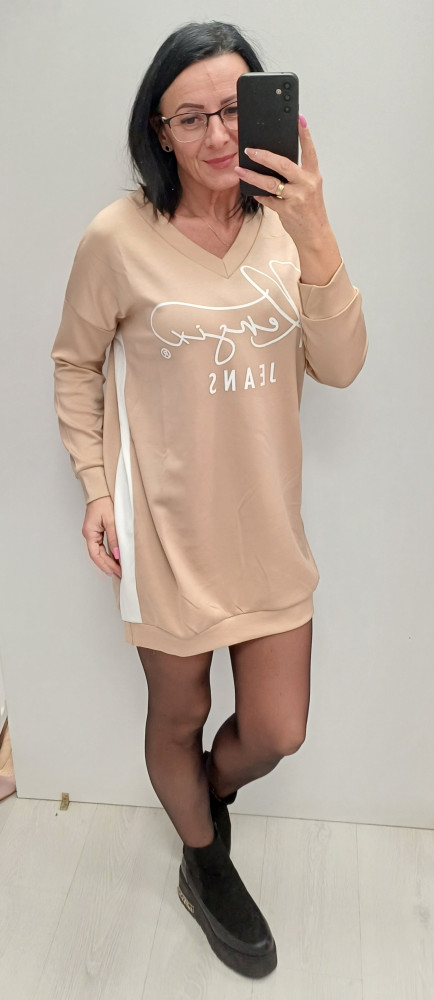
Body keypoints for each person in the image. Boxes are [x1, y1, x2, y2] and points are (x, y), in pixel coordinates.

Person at [50, 20, 368, 980]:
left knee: (276, 730)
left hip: (268, 531)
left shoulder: (290, 231)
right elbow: (74, 364)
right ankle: (202, 858)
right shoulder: (117, 237)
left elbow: (342, 365)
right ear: (160, 130)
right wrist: (95, 486)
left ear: (267, 108)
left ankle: (205, 799)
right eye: (190, 117)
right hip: (165, 532)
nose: (219, 134)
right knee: (178, 713)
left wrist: (317, 230)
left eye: (234, 108)